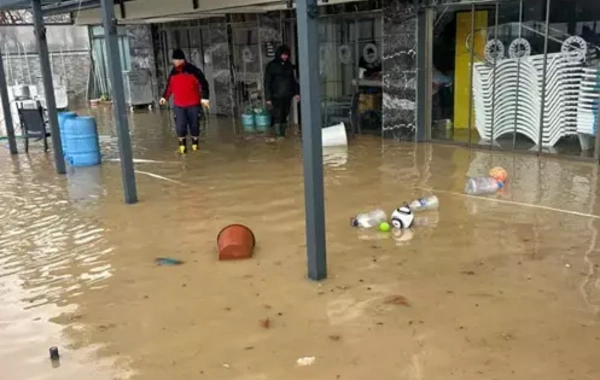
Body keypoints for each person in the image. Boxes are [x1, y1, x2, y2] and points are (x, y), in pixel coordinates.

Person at [159, 48, 210, 154]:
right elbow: (169, 87)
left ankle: (195, 146)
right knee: (180, 126)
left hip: (194, 105)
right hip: (179, 106)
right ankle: (182, 149)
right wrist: (165, 97)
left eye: (176, 60)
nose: (175, 62)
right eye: (174, 60)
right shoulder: (173, 73)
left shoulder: (193, 71)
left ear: (182, 60)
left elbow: (203, 84)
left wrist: (204, 98)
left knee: (194, 125)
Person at [264, 45, 299, 138]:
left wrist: (296, 93)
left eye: (286, 55)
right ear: (279, 54)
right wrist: (268, 98)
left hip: (287, 95)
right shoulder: (271, 66)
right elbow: (267, 82)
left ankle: (282, 134)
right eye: (283, 55)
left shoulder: (289, 66)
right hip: (276, 96)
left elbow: (293, 80)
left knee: (285, 115)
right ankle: (279, 135)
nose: (285, 57)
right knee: (278, 115)